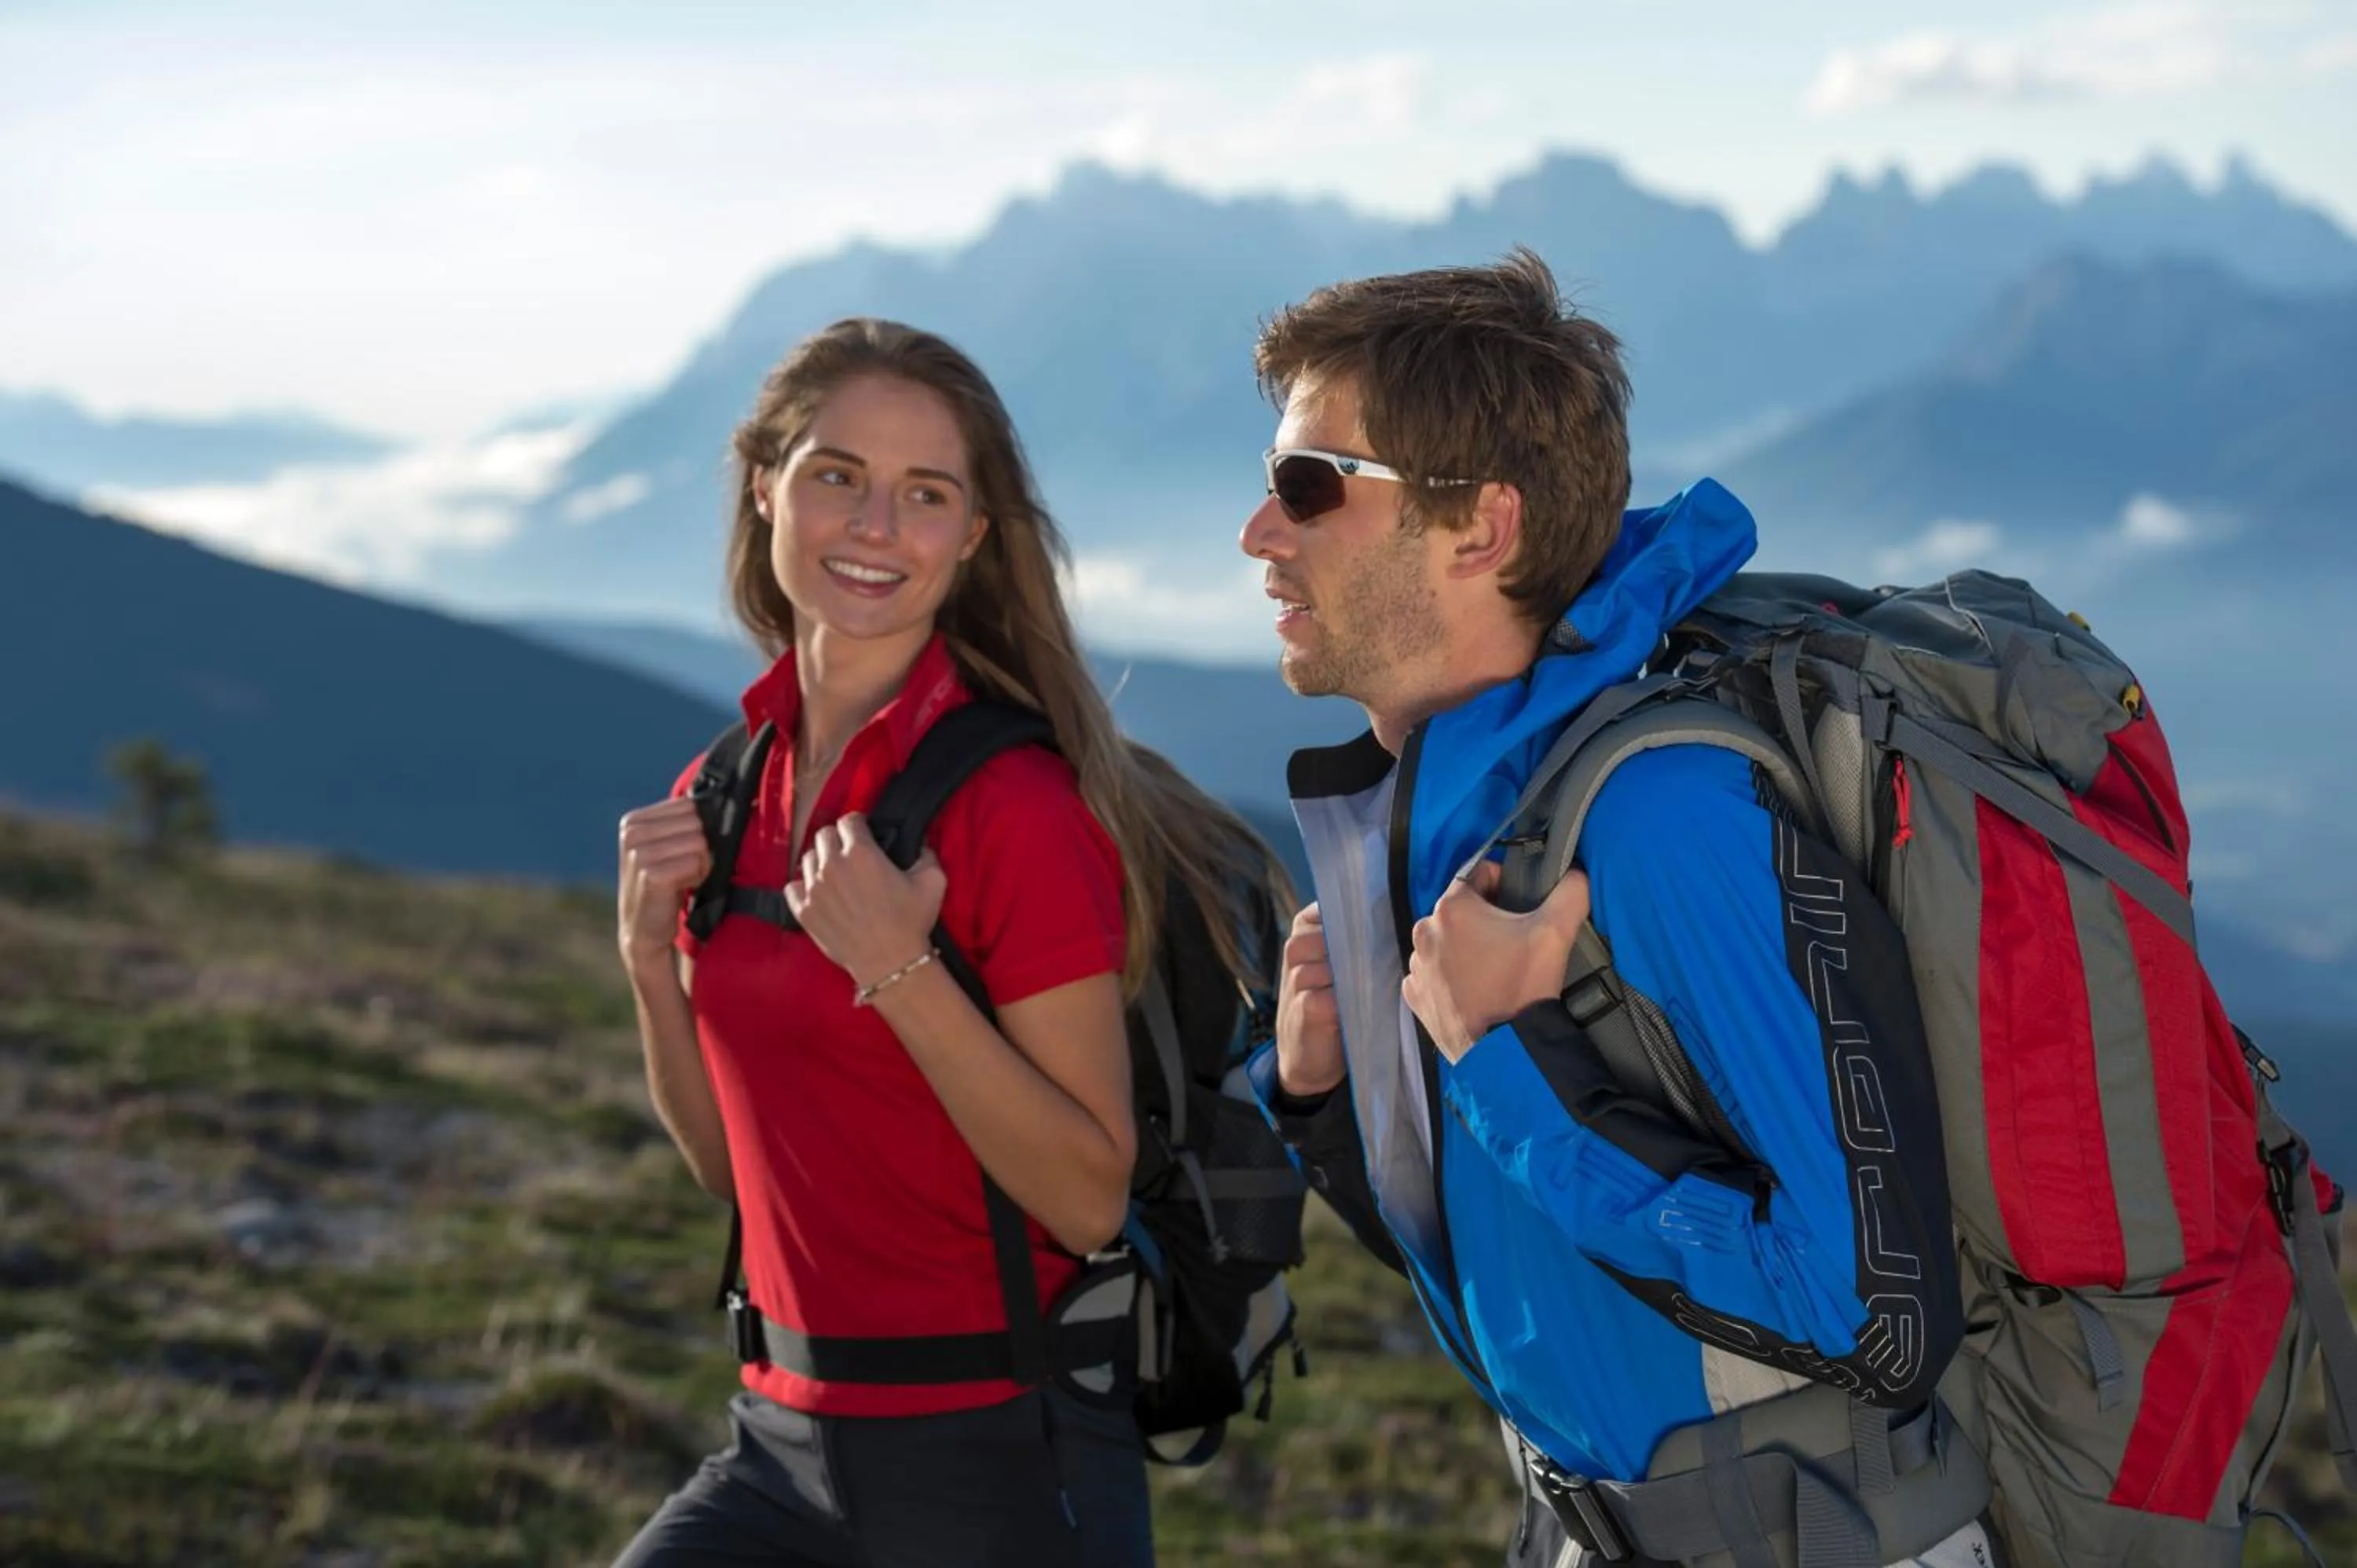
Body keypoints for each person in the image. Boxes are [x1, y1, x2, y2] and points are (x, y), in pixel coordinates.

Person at [1236, 252, 1986, 1568]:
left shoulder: (1661, 821)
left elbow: (1872, 1315)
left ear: (1482, 529)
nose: (1259, 532)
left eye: (1310, 486)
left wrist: (1504, 1059)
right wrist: (1323, 1098)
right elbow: (1528, 1265)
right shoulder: (1462, 831)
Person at [610, 317, 1275, 1567]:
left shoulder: (1013, 810)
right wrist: (652, 965)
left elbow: (1086, 1194)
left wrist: (900, 973)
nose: (875, 526)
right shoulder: (727, 792)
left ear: (972, 537)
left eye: (925, 494)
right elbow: (732, 1173)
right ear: (764, 486)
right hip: (778, 1443)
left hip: (999, 1464)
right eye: (838, 476)